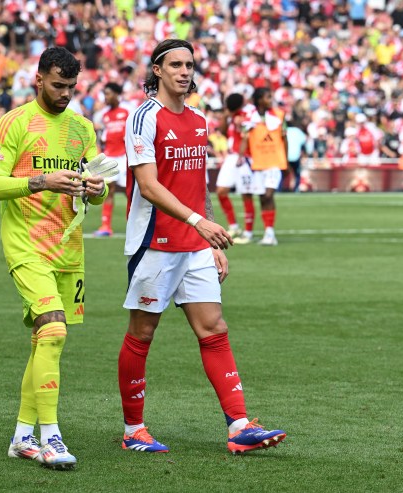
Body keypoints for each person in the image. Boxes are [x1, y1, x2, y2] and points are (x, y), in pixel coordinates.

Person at [118, 38, 287, 455]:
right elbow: (148, 185)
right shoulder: (143, 118)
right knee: (142, 332)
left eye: (189, 64)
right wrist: (199, 222)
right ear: (157, 70)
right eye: (175, 64)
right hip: (154, 243)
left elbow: (199, 186)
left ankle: (239, 426)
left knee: (214, 328)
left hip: (194, 244)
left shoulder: (197, 119)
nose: (184, 71)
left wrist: (209, 238)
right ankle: (132, 429)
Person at [0, 47, 110, 470]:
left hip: (69, 249)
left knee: (44, 340)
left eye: (72, 87)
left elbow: (100, 182)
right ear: (38, 79)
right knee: (54, 332)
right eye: (58, 85)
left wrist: (97, 189)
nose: (65, 94)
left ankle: (22, 437)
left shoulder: (82, 128)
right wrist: (41, 181)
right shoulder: (15, 123)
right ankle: (51, 436)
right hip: (27, 246)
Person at [240, 87, 288, 246]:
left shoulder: (279, 115)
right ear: (259, 100)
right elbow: (244, 138)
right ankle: (269, 232)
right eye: (268, 97)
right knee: (261, 197)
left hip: (275, 161)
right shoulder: (249, 118)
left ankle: (270, 232)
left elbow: (284, 137)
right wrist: (242, 156)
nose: (270, 100)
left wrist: (286, 161)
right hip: (258, 162)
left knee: (268, 195)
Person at [214, 92, 257, 241]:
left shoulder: (250, 112)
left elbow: (248, 133)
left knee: (246, 194)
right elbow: (224, 131)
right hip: (232, 156)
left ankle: (248, 233)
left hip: (245, 157)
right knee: (221, 191)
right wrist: (226, 116)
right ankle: (234, 227)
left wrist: (241, 154)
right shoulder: (232, 115)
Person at [93, 82, 130, 237]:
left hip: (125, 157)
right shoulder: (103, 115)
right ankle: (105, 226)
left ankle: (133, 225)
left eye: (108, 94)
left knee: (131, 193)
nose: (105, 97)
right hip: (109, 157)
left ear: (116, 94)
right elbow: (99, 137)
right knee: (109, 191)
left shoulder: (128, 110)